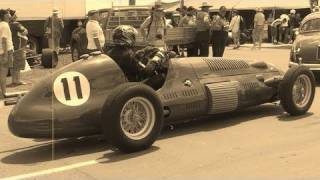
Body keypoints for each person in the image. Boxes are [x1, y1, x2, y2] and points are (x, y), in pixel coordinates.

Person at [107, 25, 174, 89]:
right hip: (132, 86)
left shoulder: (110, 52)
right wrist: (158, 57)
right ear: (127, 38)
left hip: (119, 84)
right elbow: (146, 72)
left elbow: (132, 63)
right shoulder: (128, 55)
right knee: (162, 77)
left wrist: (142, 52)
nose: (134, 39)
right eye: (132, 37)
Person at [8, 9, 28, 86]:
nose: (17, 16)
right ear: (13, 16)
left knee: (12, 64)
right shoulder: (16, 24)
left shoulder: (6, 24)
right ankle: (17, 80)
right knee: (18, 64)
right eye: (15, 14)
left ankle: (14, 80)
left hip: (9, 46)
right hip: (17, 47)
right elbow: (24, 32)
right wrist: (26, 30)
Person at [0, 9, 13, 99]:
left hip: (2, 51)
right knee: (3, 74)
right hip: (5, 51)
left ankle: (2, 93)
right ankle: (3, 93)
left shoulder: (1, 25)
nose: (9, 15)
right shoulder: (5, 25)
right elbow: (4, 40)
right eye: (8, 13)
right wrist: (5, 55)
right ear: (4, 15)